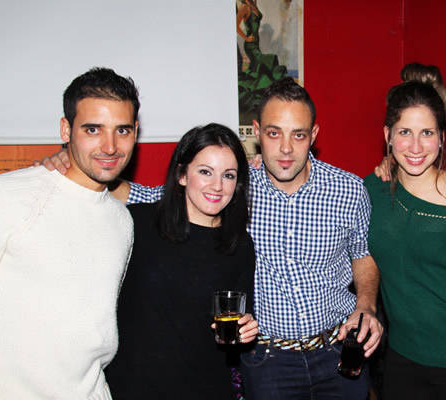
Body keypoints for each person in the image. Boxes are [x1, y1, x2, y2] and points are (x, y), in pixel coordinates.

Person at [39, 77, 383, 399]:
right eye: (274, 133)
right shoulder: (235, 186)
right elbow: (155, 195)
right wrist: (73, 161)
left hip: (338, 351)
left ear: (314, 134)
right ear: (258, 132)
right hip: (269, 361)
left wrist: (366, 305)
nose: (286, 148)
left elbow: (362, 254)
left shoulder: (348, 189)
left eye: (299, 135)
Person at [0, 67, 139, 399]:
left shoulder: (122, 220)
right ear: (66, 129)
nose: (110, 146)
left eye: (122, 130)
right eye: (93, 129)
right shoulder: (10, 196)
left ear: (136, 132)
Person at [104, 123, 258, 399]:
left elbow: (238, 325)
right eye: (205, 172)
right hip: (134, 386)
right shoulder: (138, 223)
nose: (217, 186)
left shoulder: (240, 245)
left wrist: (246, 329)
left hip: (206, 387)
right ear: (182, 175)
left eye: (229, 175)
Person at [367, 67, 446, 399]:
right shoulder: (373, 190)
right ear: (388, 135)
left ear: (441, 137)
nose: (415, 145)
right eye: (404, 132)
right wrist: (258, 167)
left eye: (427, 132)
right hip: (402, 356)